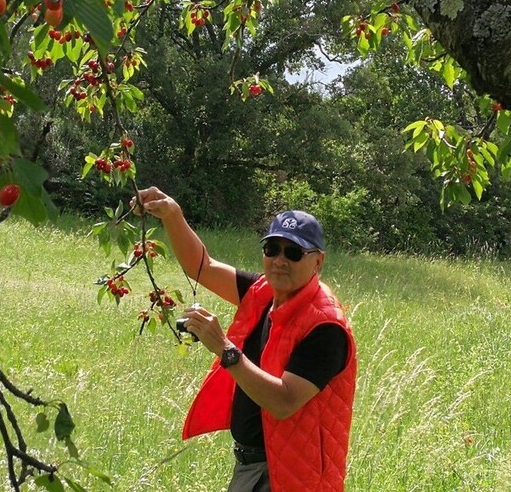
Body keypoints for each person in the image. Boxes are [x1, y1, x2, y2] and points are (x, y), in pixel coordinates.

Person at [133, 187, 357, 492]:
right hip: (256, 466)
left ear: (318, 261)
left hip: (290, 476)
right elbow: (203, 267)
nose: (280, 260)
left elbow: (284, 401)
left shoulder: (326, 327)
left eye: (293, 252)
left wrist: (225, 349)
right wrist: (173, 214)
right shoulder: (264, 292)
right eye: (271, 249)